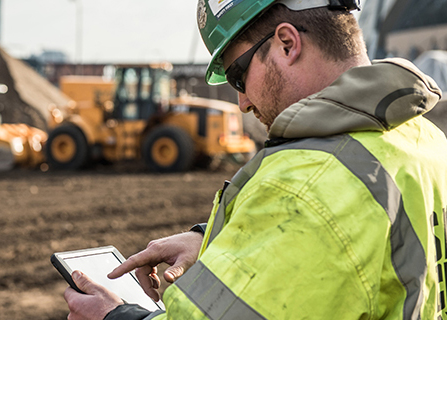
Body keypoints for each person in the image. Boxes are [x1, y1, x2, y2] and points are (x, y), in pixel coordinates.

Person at [63, 0, 447, 320]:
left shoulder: (304, 185)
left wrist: (115, 320)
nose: (243, 102)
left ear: (286, 43)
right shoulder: (425, 140)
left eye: (237, 77)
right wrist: (208, 239)